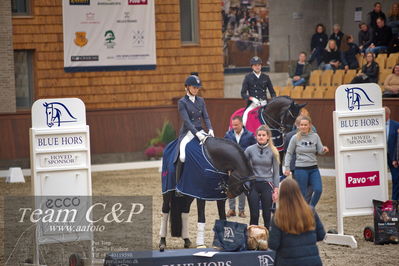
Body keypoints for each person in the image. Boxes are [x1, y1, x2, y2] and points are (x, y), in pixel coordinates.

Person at [268, 178, 326, 266]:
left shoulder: (278, 216)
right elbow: (321, 235)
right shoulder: (310, 211)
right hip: (312, 262)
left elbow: (273, 244)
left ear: (281, 195)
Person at [284, 116, 328, 207]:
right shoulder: (295, 138)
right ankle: (302, 211)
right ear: (298, 126)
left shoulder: (315, 136)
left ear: (310, 125)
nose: (303, 127)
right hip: (300, 169)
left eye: (305, 125)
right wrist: (287, 167)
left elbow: (320, 150)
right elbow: (289, 153)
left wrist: (324, 150)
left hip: (314, 169)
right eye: (301, 125)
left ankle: (310, 208)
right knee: (302, 194)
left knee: (318, 190)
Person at [245, 125, 279, 229]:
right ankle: (252, 241)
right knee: (254, 215)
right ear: (256, 136)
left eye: (263, 135)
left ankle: (268, 240)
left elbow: (276, 172)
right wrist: (246, 184)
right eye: (259, 135)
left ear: (268, 137)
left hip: (267, 184)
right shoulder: (249, 150)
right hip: (253, 184)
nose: (261, 137)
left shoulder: (273, 151)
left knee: (267, 215)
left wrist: (276, 190)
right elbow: (243, 167)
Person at [224, 115, 256, 218]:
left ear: (242, 124)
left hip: (244, 166)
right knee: (231, 186)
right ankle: (232, 209)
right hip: (231, 166)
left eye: (236, 125)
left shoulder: (250, 135)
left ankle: (241, 210)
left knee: (242, 187)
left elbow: (254, 149)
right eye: (233, 125)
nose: (234, 127)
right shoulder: (228, 135)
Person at [241, 56, 276, 127]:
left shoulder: (266, 77)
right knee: (244, 119)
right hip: (253, 104)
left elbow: (272, 92)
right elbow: (243, 93)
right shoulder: (248, 77)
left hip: (264, 103)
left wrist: (273, 101)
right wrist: (252, 98)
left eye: (259, 65)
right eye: (255, 65)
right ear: (252, 67)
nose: (257, 67)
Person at [386, 106, 399, 201]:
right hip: (379, 156)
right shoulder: (376, 125)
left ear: (387, 114)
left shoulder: (396, 125)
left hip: (393, 156)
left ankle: (394, 200)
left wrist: (396, 158)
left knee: (396, 178)